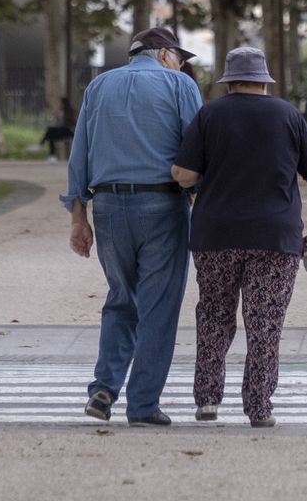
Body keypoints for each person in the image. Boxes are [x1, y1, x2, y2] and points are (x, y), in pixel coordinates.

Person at [171, 46, 307, 427]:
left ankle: (208, 400)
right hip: (274, 238)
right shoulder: (289, 115)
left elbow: (183, 174)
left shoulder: (209, 114)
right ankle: (259, 407)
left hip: (215, 235)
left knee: (213, 316)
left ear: (228, 83)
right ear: (263, 81)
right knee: (265, 323)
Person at [61, 26, 202, 427]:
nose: (181, 65)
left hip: (107, 206)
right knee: (158, 306)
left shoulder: (98, 86)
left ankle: (104, 388)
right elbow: (195, 151)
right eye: (179, 57)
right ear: (163, 54)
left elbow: (79, 154)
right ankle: (142, 405)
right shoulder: (179, 86)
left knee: (121, 298)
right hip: (163, 205)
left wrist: (78, 217)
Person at [39, 97, 76, 161]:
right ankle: (51, 154)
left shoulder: (69, 112)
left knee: (50, 130)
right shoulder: (61, 111)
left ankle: (42, 143)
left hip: (67, 131)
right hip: (61, 130)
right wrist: (57, 116)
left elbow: (71, 123)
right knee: (50, 135)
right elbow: (58, 124)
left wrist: (62, 118)